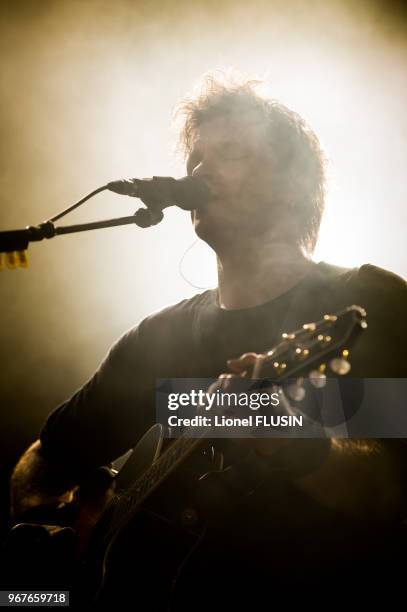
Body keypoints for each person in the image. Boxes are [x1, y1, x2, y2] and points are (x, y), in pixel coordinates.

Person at [9, 74, 407, 607]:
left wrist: (290, 441)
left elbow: (391, 493)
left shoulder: (367, 303)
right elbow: (47, 455)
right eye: (195, 159)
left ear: (294, 182)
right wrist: (47, 530)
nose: (198, 171)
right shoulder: (159, 337)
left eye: (231, 153)